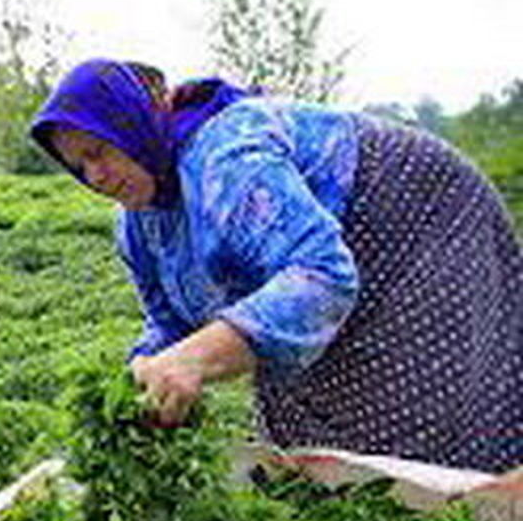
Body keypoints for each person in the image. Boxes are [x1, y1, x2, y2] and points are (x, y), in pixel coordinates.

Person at [30, 58, 523, 473]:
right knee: (300, 410)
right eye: (79, 167)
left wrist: (195, 360)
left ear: (130, 124)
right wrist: (137, 379)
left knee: (416, 413)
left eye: (99, 152)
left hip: (417, 219)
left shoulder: (227, 157)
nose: (94, 176)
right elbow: (169, 321)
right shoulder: (137, 222)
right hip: (330, 255)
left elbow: (320, 277)